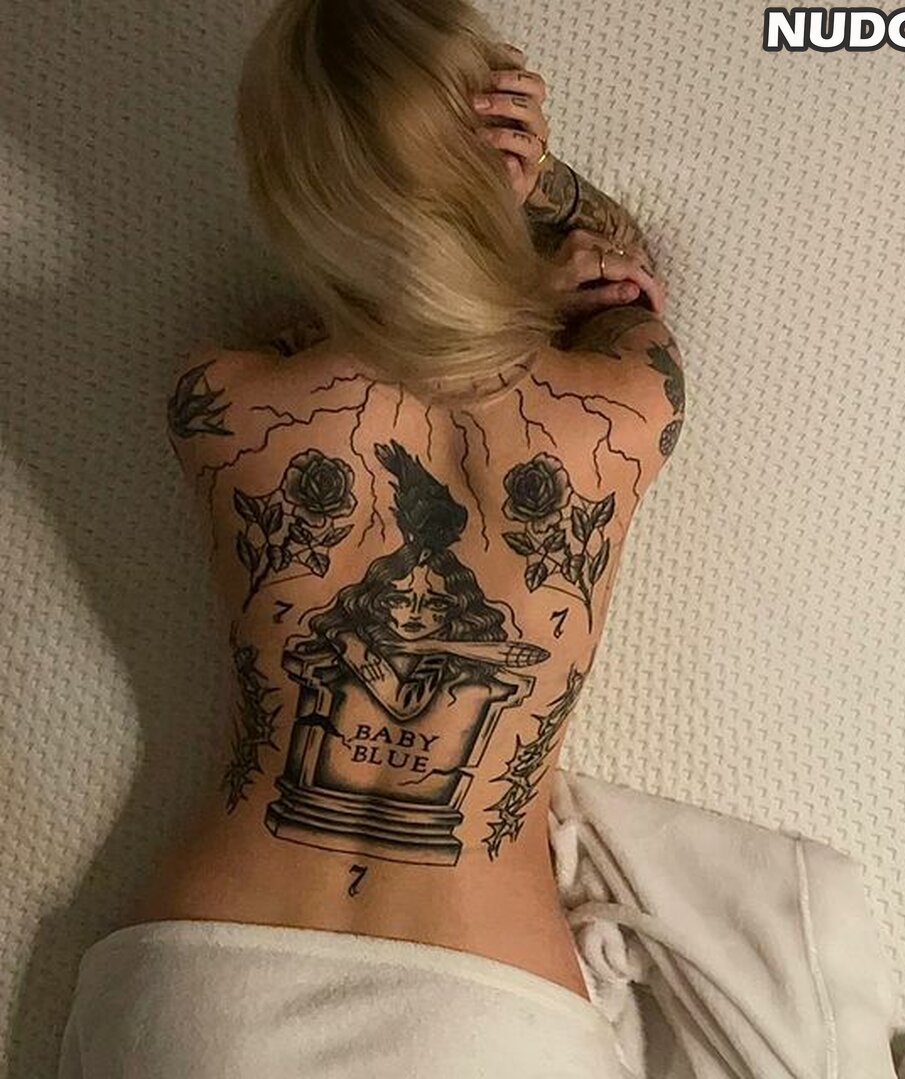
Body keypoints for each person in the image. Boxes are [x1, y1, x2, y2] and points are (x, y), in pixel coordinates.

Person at [58, 1, 684, 1075]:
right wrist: (529, 207)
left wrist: (463, 249)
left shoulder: (224, 398)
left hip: (202, 994)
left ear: (288, 202)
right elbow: (622, 263)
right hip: (484, 1008)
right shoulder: (626, 402)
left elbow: (365, 333)